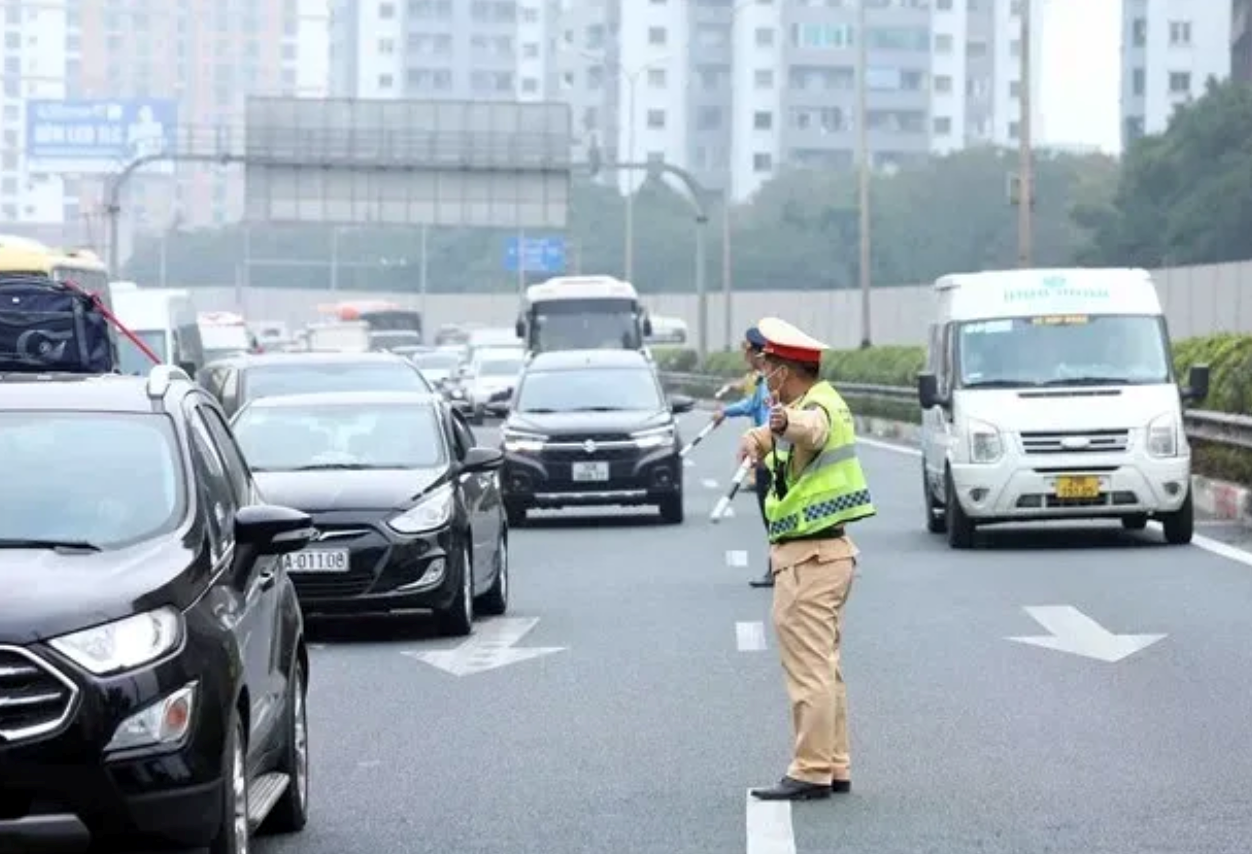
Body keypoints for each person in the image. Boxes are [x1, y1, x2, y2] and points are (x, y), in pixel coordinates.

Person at [737, 316, 876, 802]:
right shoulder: (818, 400)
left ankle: (811, 770)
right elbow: (794, 436)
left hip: (811, 559)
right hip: (826, 554)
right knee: (826, 669)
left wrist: (781, 423)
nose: (764, 372)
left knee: (810, 671)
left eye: (770, 365)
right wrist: (760, 438)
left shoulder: (813, 409)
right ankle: (834, 764)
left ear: (786, 370)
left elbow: (810, 430)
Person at [712, 327, 774, 588]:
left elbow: (773, 420)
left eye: (745, 348)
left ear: (756, 351)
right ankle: (777, 569)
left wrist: (757, 445)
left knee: (775, 517)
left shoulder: (772, 381)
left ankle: (779, 570)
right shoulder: (762, 379)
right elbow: (751, 406)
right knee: (770, 519)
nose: (742, 354)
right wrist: (725, 412)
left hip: (773, 462)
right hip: (763, 459)